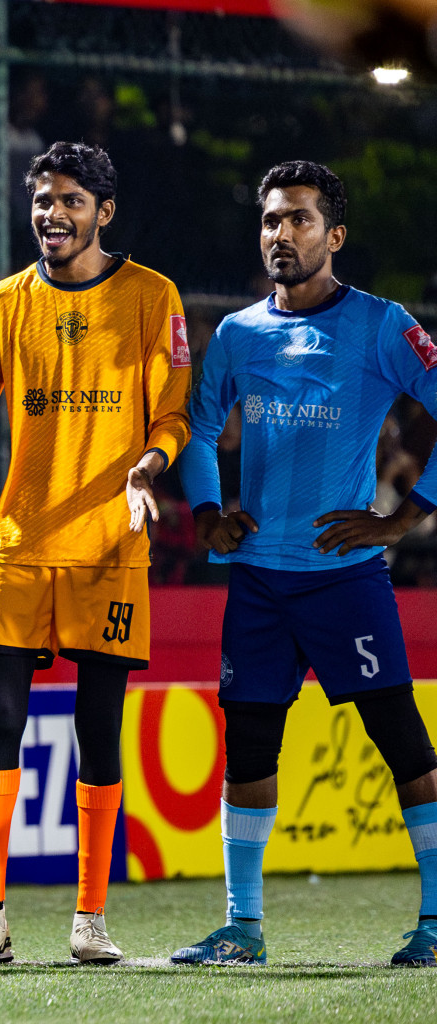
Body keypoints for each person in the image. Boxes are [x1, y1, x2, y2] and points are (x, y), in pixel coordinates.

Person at [173, 161, 437, 967]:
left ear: (335, 235)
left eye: (298, 220)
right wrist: (208, 513)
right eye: (271, 221)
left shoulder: (383, 326)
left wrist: (405, 519)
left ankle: (435, 923)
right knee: (249, 749)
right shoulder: (241, 334)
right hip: (258, 582)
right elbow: (197, 421)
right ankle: (242, 927)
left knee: (403, 744)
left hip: (344, 582)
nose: (281, 235)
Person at [0, 142, 191, 966]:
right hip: (21, 539)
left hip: (111, 543)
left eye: (71, 200)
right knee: (0, 713)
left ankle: (90, 918)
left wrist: (152, 465)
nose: (53, 214)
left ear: (104, 211)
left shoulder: (153, 298)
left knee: (99, 724)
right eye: (44, 200)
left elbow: (171, 415)